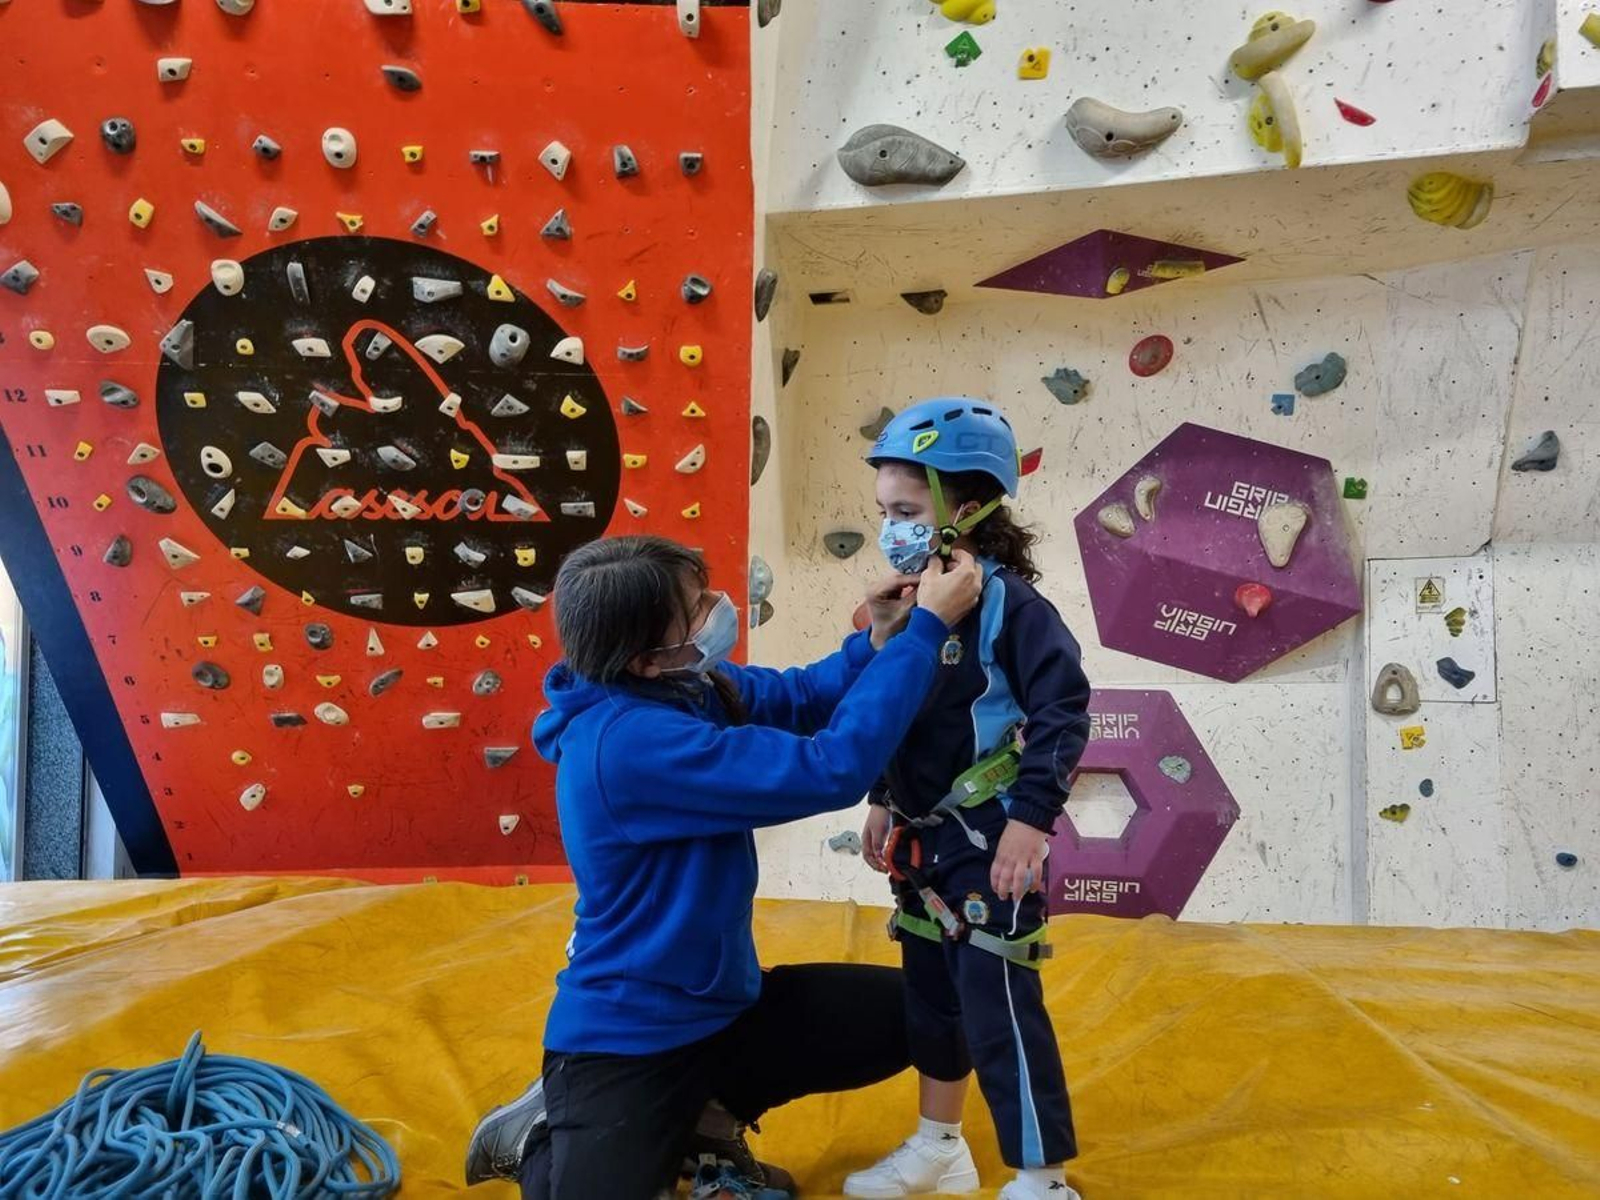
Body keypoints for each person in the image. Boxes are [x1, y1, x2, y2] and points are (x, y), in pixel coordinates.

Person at [464, 534, 985, 1200]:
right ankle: (543, 1132)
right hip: (629, 1039)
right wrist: (926, 637)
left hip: (725, 1011)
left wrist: (880, 639)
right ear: (643, 656)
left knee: (932, 1011)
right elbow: (829, 768)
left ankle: (709, 1119)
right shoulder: (626, 748)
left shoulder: (685, 685)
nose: (719, 606)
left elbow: (801, 697)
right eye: (697, 605)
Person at [844, 398, 1092, 1200]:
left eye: (908, 512)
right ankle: (940, 1147)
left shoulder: (1013, 608)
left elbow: (1063, 710)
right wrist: (883, 795)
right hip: (923, 843)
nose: (893, 529)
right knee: (934, 1004)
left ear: (969, 506)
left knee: (999, 1000)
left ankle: (1041, 1177)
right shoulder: (913, 602)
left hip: (990, 838)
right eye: (885, 512)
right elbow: (899, 707)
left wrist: (1030, 822)